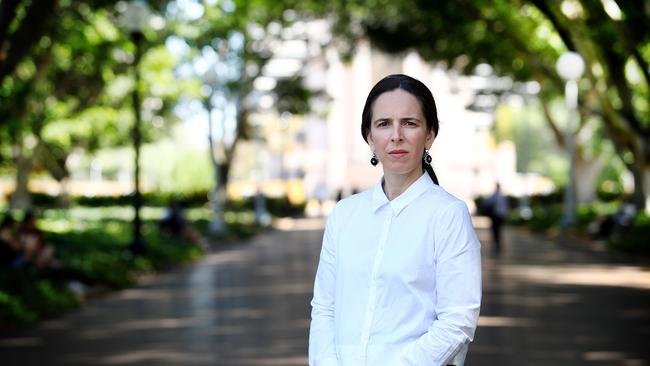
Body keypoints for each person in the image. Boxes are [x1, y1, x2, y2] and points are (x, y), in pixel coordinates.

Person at [309, 74, 482, 366]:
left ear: (429, 135)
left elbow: (457, 321)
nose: (396, 135)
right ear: (369, 136)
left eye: (410, 123)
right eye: (384, 123)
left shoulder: (448, 215)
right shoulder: (344, 215)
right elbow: (325, 308)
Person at [483, 183, 509, 254]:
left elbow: (487, 203)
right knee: (498, 229)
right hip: (500, 215)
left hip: (496, 215)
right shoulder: (501, 196)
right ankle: (497, 243)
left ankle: (497, 242)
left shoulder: (495, 196)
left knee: (496, 230)